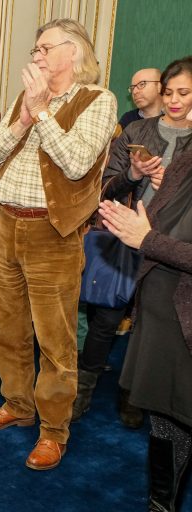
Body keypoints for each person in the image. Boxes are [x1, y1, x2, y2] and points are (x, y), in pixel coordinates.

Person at [0, 18, 117, 471]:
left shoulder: (99, 100)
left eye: (43, 48)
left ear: (73, 54)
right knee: (6, 328)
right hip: (4, 223)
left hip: (52, 234)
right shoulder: (24, 101)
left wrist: (43, 112)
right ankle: (17, 403)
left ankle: (54, 431)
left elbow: (76, 163)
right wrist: (22, 118)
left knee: (56, 342)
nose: (34, 56)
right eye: (34, 49)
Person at [73, 58, 192, 427]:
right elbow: (104, 189)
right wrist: (132, 173)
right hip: (126, 241)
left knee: (152, 326)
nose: (174, 100)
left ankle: (134, 395)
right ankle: (84, 389)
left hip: (173, 251)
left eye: (183, 93)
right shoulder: (137, 131)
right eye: (169, 92)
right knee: (106, 321)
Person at [98, 84, 192, 511]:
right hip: (158, 291)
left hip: (176, 297)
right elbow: (115, 192)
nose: (177, 101)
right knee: (165, 416)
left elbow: (159, 234)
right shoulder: (153, 138)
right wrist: (144, 180)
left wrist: (148, 238)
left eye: (184, 93)